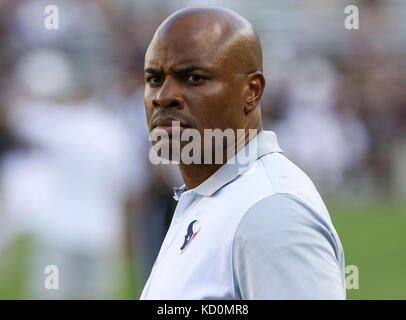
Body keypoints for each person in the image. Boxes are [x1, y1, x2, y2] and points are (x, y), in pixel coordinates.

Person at [140, 6, 346, 300]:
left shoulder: (272, 211)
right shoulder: (210, 196)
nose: (163, 97)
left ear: (251, 91)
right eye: (154, 79)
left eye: (194, 78)